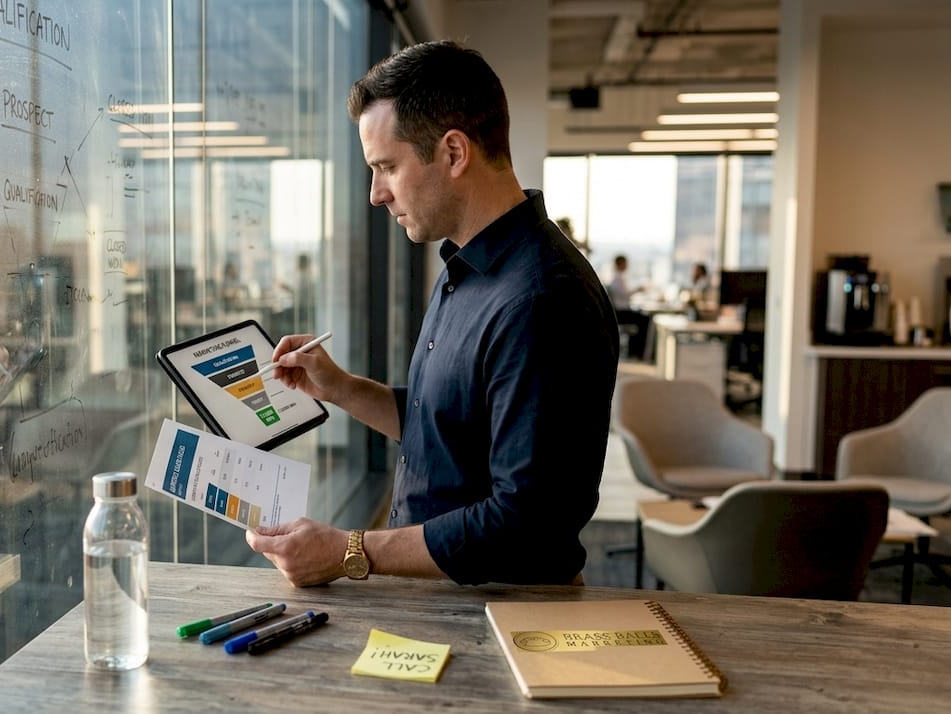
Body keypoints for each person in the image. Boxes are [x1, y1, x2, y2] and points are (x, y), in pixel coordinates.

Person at [245, 41, 619, 587]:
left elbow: (527, 521)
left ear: (453, 153)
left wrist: (350, 550)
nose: (376, 194)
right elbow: (445, 430)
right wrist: (341, 387)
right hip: (439, 598)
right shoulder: (463, 267)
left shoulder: (543, 300)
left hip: (500, 618)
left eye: (387, 167)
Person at [607, 254, 650, 359]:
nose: (627, 265)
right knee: (645, 320)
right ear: (621, 264)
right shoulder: (617, 278)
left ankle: (636, 350)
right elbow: (625, 294)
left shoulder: (619, 277)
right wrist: (638, 289)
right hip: (621, 312)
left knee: (642, 317)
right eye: (625, 263)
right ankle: (637, 351)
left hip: (622, 310)